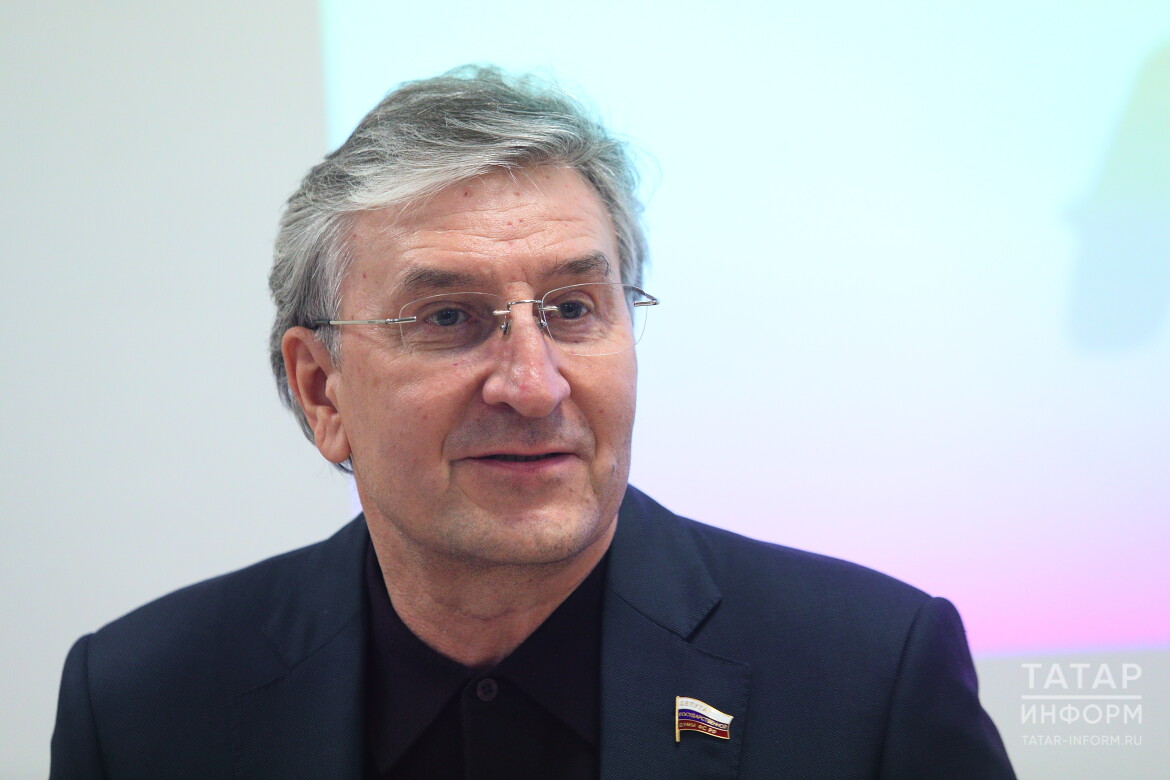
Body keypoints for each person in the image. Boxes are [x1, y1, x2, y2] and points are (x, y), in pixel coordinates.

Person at [50, 66, 1016, 779]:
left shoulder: (870, 677)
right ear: (322, 390)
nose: (533, 384)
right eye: (448, 318)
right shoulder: (142, 706)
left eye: (573, 309)